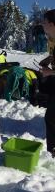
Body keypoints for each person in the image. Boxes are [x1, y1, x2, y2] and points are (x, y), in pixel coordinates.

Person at [41, 9, 55, 158]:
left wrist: (49, 72)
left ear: (51, 24)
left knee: (51, 117)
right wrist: (48, 61)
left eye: (45, 22)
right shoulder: (51, 39)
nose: (42, 25)